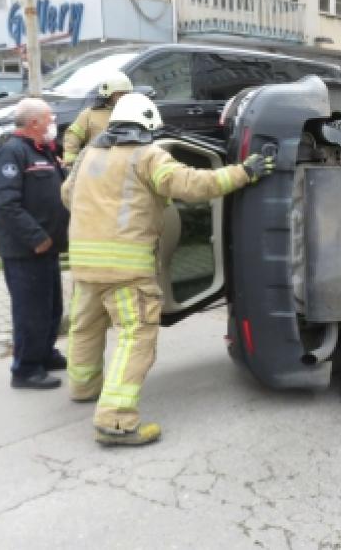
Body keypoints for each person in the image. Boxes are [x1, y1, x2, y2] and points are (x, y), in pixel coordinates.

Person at [61, 92, 274, 445]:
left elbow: (67, 196)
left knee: (85, 326)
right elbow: (193, 185)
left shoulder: (87, 155)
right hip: (126, 269)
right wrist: (246, 171)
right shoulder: (148, 156)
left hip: (84, 262)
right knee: (135, 336)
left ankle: (83, 387)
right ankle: (115, 421)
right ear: (147, 125)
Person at [0, 98, 70, 389]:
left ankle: (45, 353)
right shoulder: (12, 153)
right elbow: (3, 202)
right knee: (30, 312)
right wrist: (36, 237)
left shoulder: (43, 151)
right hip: (26, 250)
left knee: (51, 308)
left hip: (48, 247)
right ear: (34, 122)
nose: (53, 123)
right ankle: (25, 368)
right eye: (49, 118)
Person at [62, 70, 132, 165]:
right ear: (108, 94)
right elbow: (73, 136)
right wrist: (71, 162)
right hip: (96, 165)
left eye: (126, 93)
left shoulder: (132, 113)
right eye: (120, 94)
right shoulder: (90, 114)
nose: (124, 97)